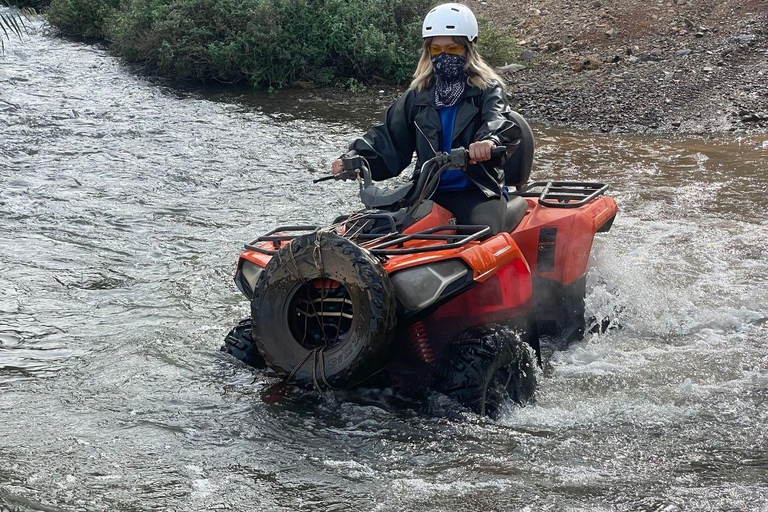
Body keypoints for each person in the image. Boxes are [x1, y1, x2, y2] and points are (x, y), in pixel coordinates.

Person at [331, 2, 521, 235]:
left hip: (477, 190)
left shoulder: (487, 90)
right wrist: (354, 158)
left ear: (468, 50)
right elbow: (388, 137)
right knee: (374, 230)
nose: (443, 56)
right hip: (427, 190)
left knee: (481, 236)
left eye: (451, 50)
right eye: (435, 50)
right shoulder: (418, 95)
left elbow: (500, 120)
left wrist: (489, 142)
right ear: (427, 51)